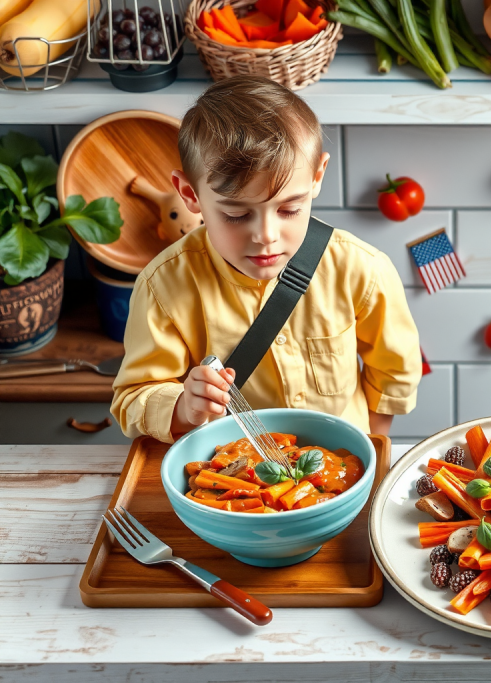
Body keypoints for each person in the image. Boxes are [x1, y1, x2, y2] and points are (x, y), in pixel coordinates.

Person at [112, 75, 421, 442]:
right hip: (233, 484)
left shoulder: (362, 270)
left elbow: (393, 375)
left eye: (289, 209)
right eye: (236, 215)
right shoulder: (163, 287)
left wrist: (369, 451)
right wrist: (182, 406)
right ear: (189, 194)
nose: (266, 236)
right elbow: (132, 399)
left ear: (317, 176)